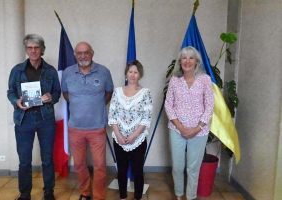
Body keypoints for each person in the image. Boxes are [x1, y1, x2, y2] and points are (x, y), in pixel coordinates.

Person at [7, 34, 61, 200]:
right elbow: (10, 92)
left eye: (36, 47)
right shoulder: (17, 70)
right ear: (26, 50)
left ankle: (49, 192)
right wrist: (17, 101)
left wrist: (51, 97)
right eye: (30, 47)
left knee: (47, 159)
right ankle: (24, 194)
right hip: (24, 119)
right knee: (24, 160)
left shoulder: (50, 71)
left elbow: (57, 92)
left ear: (42, 49)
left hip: (46, 119)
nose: (33, 51)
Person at [61, 42, 114, 200]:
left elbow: (109, 92)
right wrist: (80, 105)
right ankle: (85, 193)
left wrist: (94, 106)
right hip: (75, 128)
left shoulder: (103, 71)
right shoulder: (68, 73)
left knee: (99, 166)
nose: (82, 56)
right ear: (75, 55)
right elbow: (65, 93)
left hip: (97, 127)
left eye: (86, 53)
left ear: (92, 53)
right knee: (79, 165)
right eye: (79, 53)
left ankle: (98, 196)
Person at [164, 46, 214, 200]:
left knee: (193, 168)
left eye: (191, 58)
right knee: (178, 167)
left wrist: (197, 128)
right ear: (180, 61)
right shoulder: (174, 80)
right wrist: (180, 127)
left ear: (197, 61)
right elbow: (168, 104)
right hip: (176, 129)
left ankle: (190, 196)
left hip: (199, 131)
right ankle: (179, 195)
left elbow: (210, 106)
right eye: (184, 58)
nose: (187, 61)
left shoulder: (205, 79)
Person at [108, 60, 153, 200]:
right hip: (119, 138)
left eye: (136, 72)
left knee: (137, 171)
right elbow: (112, 115)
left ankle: (138, 197)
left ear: (140, 75)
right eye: (130, 72)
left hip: (138, 139)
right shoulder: (117, 92)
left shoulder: (145, 93)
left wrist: (134, 136)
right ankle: (122, 196)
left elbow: (146, 118)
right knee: (121, 171)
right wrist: (118, 135)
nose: (133, 75)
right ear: (126, 74)